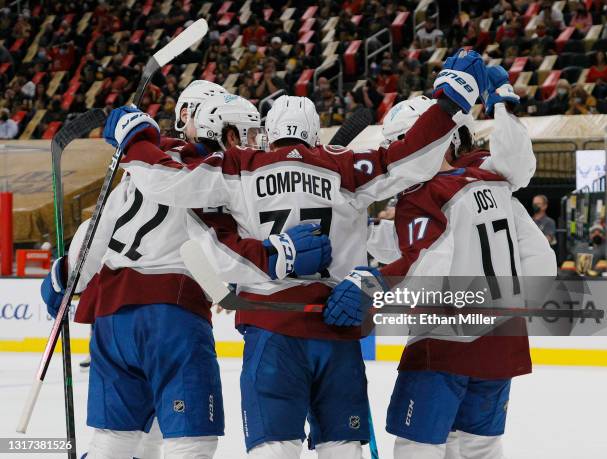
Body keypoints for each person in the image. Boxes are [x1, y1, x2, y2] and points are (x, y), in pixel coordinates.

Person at [105, 49, 489, 458]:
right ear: (315, 133)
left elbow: (172, 182)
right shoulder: (347, 166)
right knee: (342, 449)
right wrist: (449, 103)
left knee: (275, 449)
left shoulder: (238, 164)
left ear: (269, 132)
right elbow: (409, 159)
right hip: (335, 324)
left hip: (270, 327)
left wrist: (134, 144)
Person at [40, 87, 331, 459]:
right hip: (171, 317)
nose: (258, 142)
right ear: (229, 134)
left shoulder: (146, 165)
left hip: (112, 320)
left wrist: (63, 280)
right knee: (191, 442)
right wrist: (281, 255)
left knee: (114, 441)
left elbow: (98, 230)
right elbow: (212, 244)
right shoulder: (219, 174)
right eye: (251, 133)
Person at [335, 65, 553, 459]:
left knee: (418, 447)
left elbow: (426, 266)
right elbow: (541, 263)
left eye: (405, 145)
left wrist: (372, 285)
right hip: (503, 341)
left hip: (444, 344)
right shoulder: (493, 183)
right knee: (478, 447)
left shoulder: (423, 195)